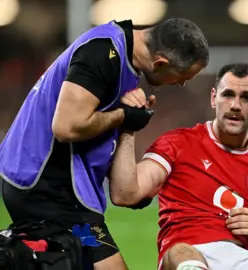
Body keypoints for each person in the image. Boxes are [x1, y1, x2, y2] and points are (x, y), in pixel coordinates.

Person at [0, 18, 209, 269]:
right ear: (160, 63)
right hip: (47, 185)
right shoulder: (101, 53)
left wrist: (127, 124)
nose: (181, 84)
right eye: (183, 76)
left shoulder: (121, 54)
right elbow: (66, 127)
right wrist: (123, 115)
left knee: (68, 262)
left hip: (51, 183)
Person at [108, 63, 248, 270]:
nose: (235, 105)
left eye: (246, 97)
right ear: (213, 98)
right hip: (189, 255)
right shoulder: (178, 144)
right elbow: (125, 194)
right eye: (228, 95)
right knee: (181, 253)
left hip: (244, 261)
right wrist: (128, 130)